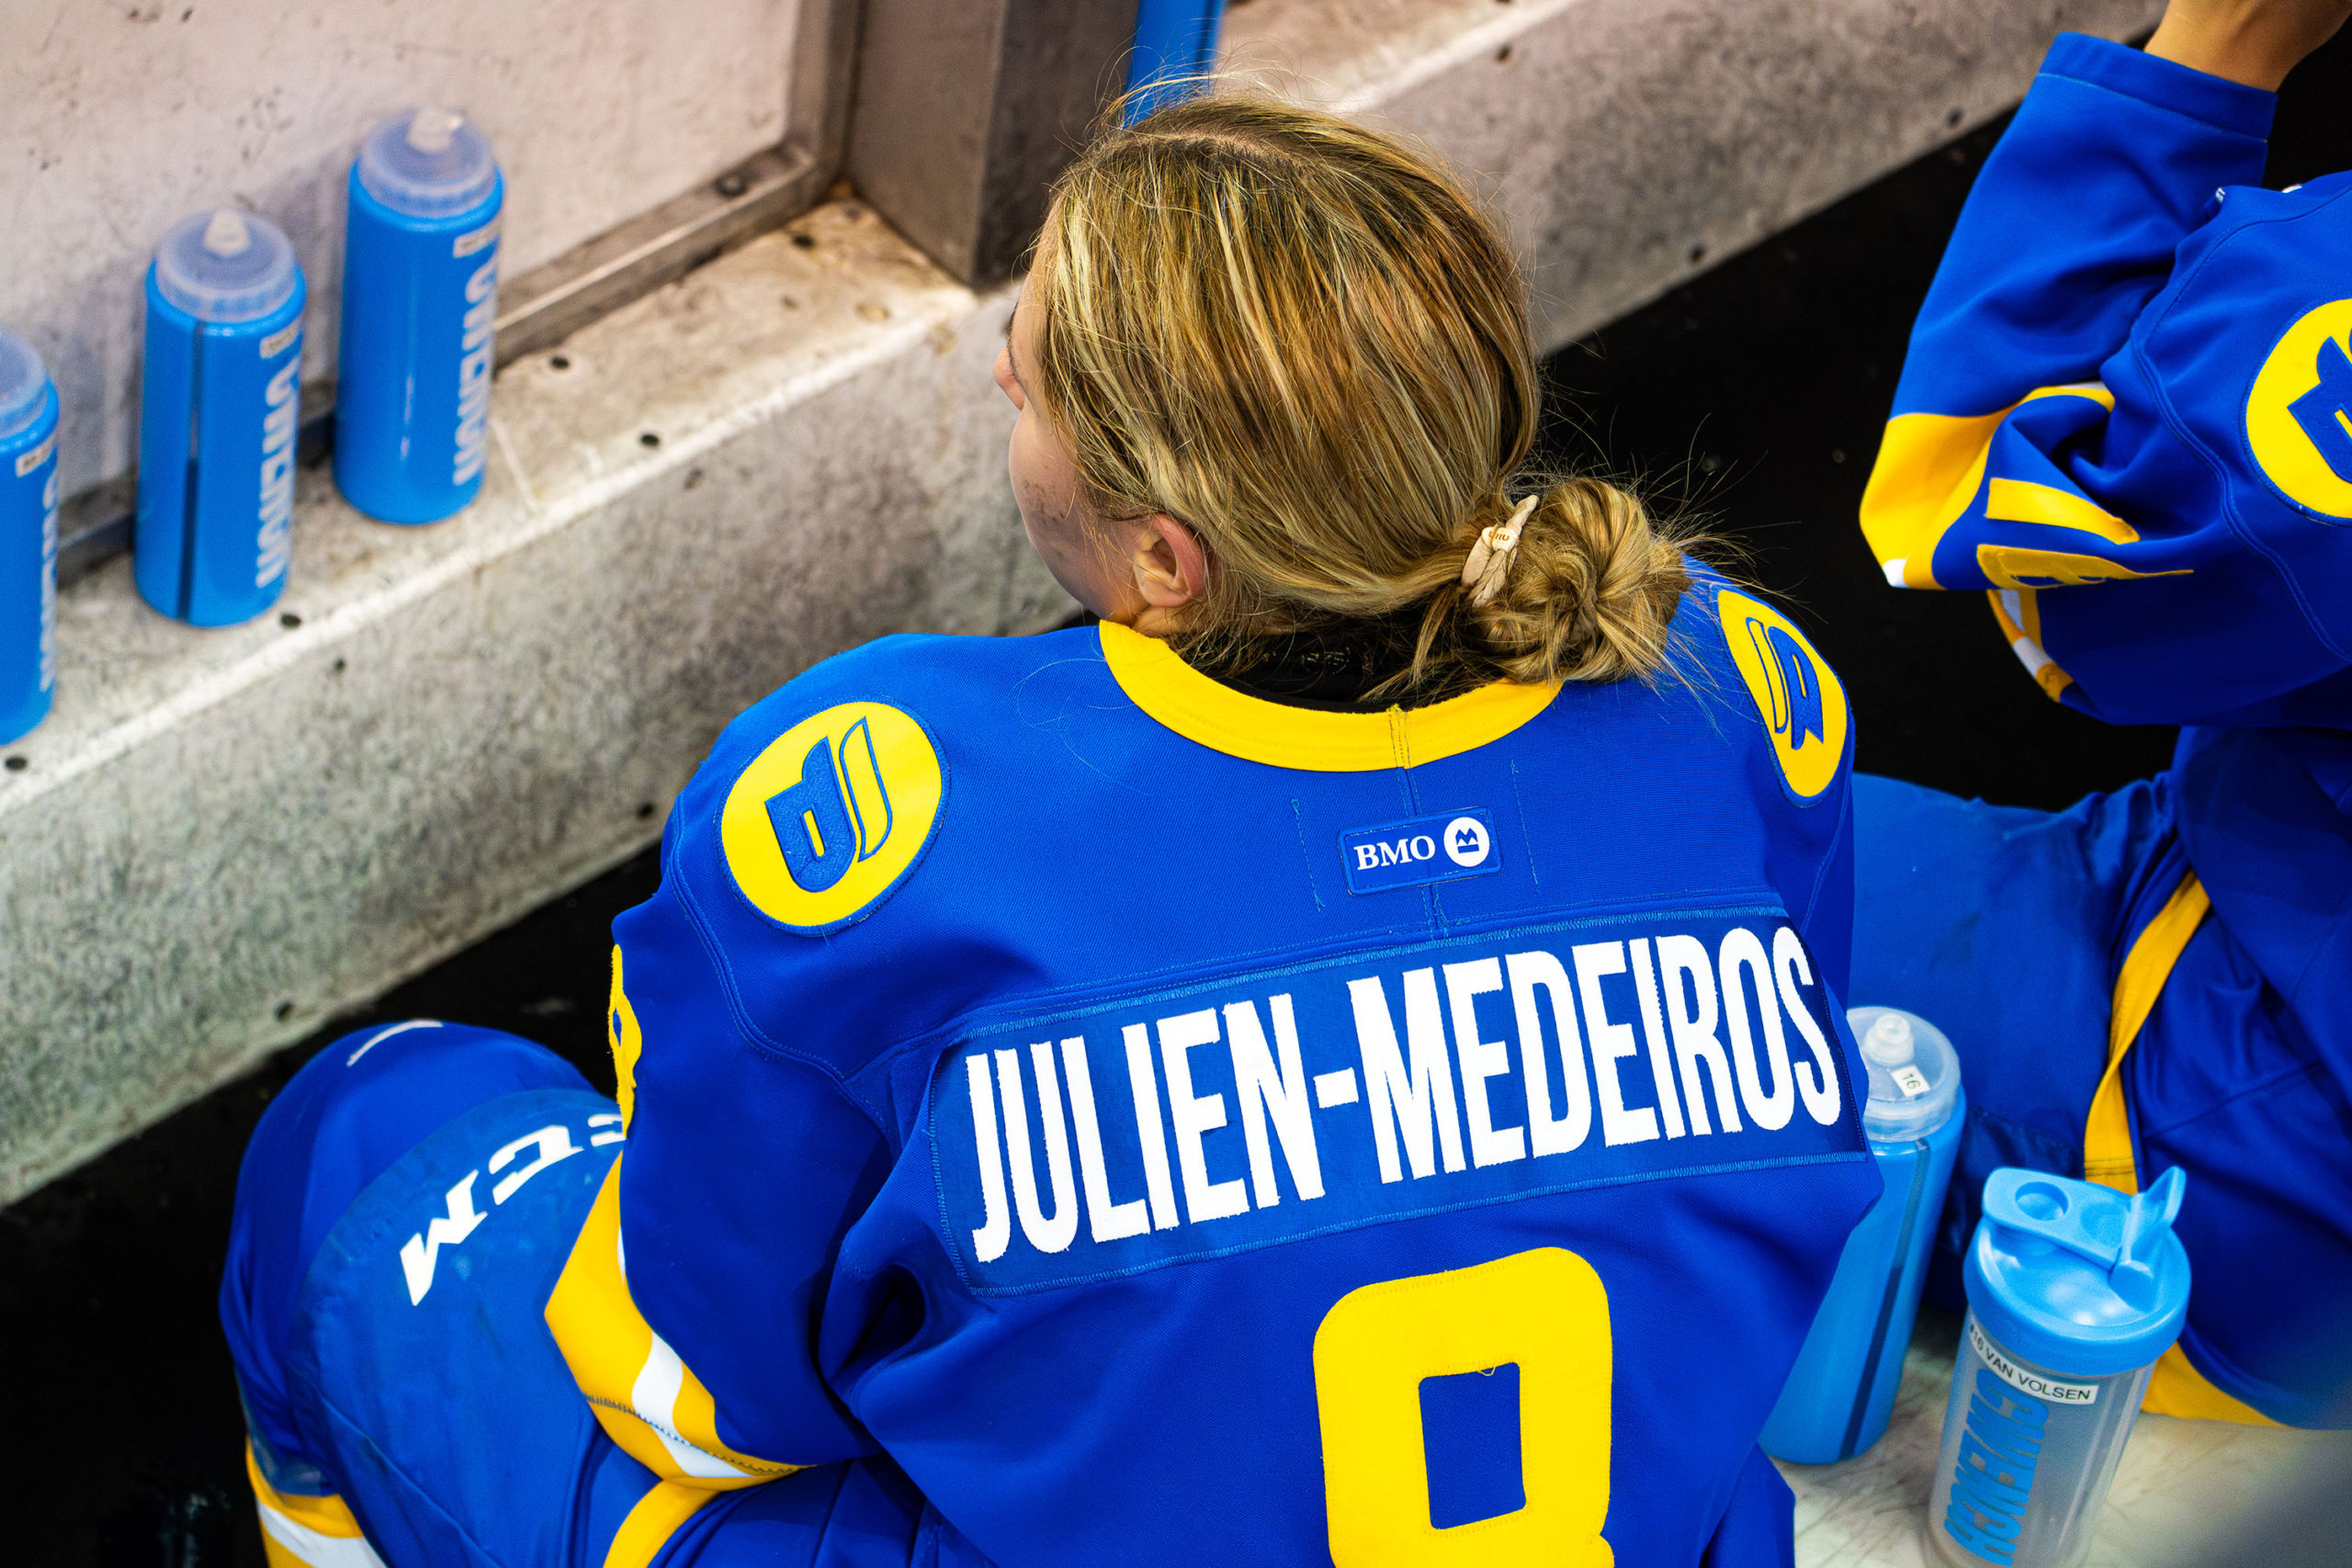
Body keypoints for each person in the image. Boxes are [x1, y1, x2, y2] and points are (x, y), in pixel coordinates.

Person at [221, 94, 1880, 1566]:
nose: (1007, 367)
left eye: (1036, 384)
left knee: (372, 1129)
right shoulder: (1732, 691)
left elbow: (712, 1404)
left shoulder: (884, 818)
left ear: (1168, 565)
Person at [1852, 0, 2352, 1429]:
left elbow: (1977, 514)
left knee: (1668, 894)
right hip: (2279, 872)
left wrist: (2227, 41)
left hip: (2258, 1153)